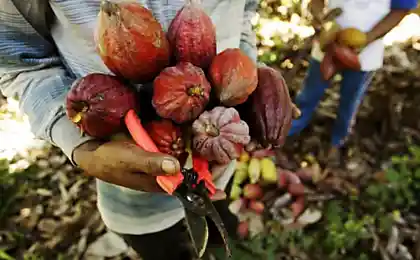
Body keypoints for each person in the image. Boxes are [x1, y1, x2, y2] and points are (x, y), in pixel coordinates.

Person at [0, 0, 259, 259]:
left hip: (218, 164)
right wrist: (81, 146)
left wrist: (253, 80)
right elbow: (20, 63)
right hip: (130, 189)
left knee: (221, 219)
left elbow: (245, 12)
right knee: (159, 248)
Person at [288, 0, 417, 162]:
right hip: (328, 42)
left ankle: (338, 142)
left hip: (365, 51)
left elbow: (401, 10)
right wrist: (320, 18)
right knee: (309, 94)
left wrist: (367, 38)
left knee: (350, 101)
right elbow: (316, 2)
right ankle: (288, 132)